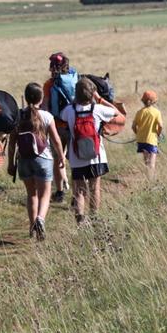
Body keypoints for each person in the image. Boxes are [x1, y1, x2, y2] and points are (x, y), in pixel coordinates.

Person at [60, 77, 125, 224]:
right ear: (92, 94)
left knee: (79, 189)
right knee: (95, 187)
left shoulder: (69, 111)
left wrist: (74, 101)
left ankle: (80, 219)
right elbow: (116, 113)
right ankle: (94, 216)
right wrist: (99, 99)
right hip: (96, 156)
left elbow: (62, 115)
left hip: (77, 157)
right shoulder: (97, 109)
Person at [8, 83, 66, 240]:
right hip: (43, 159)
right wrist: (61, 157)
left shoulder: (18, 116)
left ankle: (32, 227)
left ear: (26, 98)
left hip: (24, 160)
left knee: (31, 194)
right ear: (41, 99)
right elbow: (56, 140)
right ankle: (40, 219)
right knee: (44, 195)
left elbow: (12, 143)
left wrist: (11, 164)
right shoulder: (47, 116)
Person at [41, 52, 77, 203]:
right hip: (74, 124)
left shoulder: (49, 84)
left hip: (57, 125)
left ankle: (60, 193)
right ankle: (76, 195)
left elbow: (45, 106)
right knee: (75, 161)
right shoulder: (75, 79)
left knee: (57, 160)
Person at [132, 90, 163, 179]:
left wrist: (137, 134)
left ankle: (147, 179)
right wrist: (158, 133)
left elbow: (133, 126)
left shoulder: (139, 112)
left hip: (141, 140)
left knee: (146, 162)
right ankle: (151, 182)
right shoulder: (156, 112)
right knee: (152, 164)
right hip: (152, 140)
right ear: (154, 101)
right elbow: (160, 125)